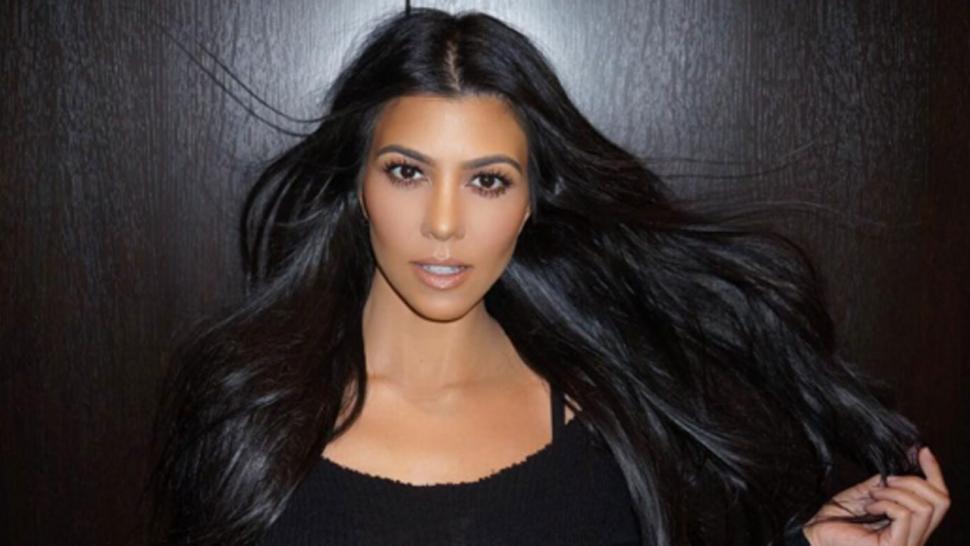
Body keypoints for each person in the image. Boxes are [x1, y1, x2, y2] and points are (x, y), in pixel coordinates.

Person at [148, 8, 950, 546]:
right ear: (357, 184)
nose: (443, 223)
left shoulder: (611, 422)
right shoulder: (245, 407)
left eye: (488, 180)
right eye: (407, 172)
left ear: (532, 199)